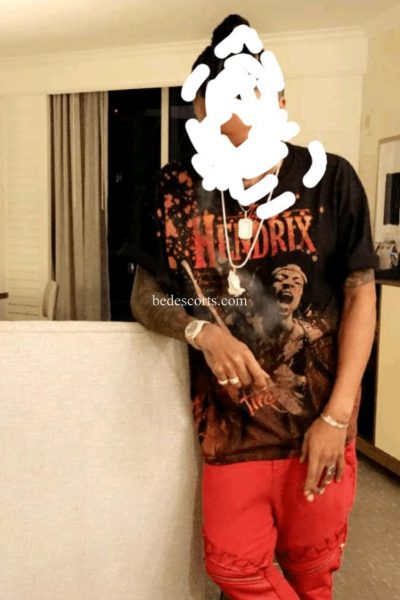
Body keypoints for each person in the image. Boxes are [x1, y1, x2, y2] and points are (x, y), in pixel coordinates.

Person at [124, 14, 378, 600]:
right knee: (234, 568)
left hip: (319, 421)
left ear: (279, 102)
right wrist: (199, 331)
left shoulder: (330, 179)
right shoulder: (175, 189)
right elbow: (147, 293)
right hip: (231, 431)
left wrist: (337, 418)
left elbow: (360, 292)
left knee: (311, 572)